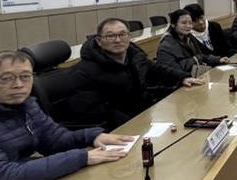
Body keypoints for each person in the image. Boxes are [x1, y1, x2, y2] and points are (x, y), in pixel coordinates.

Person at [0, 50, 134, 180]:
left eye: (25, 76)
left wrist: (92, 136)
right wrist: (81, 157)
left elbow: (55, 140)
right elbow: (3, 177)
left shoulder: (27, 105)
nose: (18, 85)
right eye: (5, 79)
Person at [68, 18, 203, 129]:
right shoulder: (85, 71)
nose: (117, 40)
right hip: (117, 128)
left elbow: (157, 69)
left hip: (142, 117)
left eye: (122, 34)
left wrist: (182, 78)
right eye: (110, 36)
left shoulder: (134, 56)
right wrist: (134, 124)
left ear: (129, 37)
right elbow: (99, 111)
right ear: (99, 41)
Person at [157, 10, 229, 75]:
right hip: (180, 81)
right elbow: (172, 71)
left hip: (194, 76)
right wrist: (195, 59)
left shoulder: (189, 37)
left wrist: (217, 59)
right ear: (173, 24)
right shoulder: (166, 45)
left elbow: (201, 56)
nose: (188, 26)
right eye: (184, 23)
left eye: (190, 23)